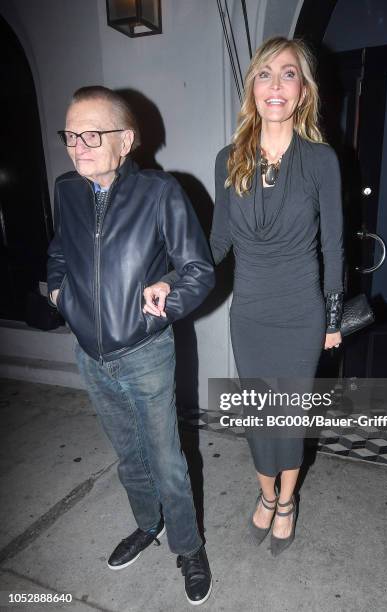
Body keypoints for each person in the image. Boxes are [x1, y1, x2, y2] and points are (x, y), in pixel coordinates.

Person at [158, 37, 344, 557]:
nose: (276, 85)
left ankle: (286, 501)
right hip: (253, 314)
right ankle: (266, 493)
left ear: (303, 91)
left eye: (289, 74)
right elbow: (218, 242)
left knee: (290, 417)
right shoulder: (229, 159)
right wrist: (173, 277)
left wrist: (332, 318)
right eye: (266, 74)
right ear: (253, 89)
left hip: (302, 312)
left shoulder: (320, 160)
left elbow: (333, 246)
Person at [47, 86, 214, 605]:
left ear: (126, 140)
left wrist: (170, 292)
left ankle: (188, 547)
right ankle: (148, 524)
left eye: (92, 133)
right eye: (71, 134)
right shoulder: (67, 190)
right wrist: (58, 296)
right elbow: (58, 255)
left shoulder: (161, 192)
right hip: (90, 354)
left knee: (166, 457)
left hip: (144, 351)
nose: (78, 145)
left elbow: (199, 270)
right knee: (128, 456)